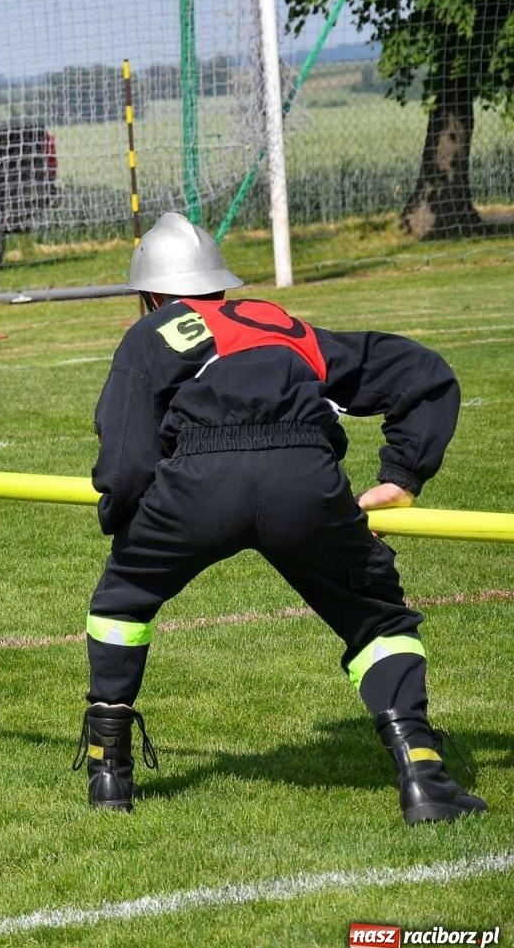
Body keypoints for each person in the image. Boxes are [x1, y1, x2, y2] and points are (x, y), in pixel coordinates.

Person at [75, 212, 484, 824]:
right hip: (306, 477)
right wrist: (402, 478)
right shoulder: (283, 326)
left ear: (151, 295)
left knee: (121, 604)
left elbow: (129, 455)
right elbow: (421, 374)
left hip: (198, 485)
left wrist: (124, 517)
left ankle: (109, 774)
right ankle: (424, 776)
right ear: (220, 286)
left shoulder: (151, 334)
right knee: (375, 619)